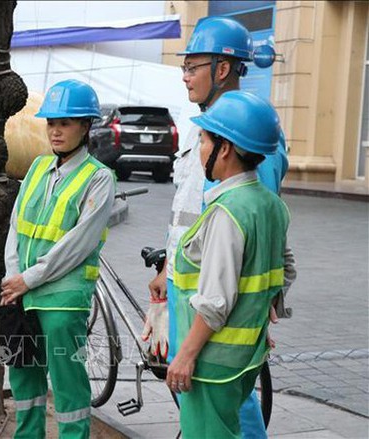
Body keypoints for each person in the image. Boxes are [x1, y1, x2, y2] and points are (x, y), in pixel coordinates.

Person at [141, 16, 295, 439]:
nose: (185, 78)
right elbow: (192, 215)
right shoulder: (206, 128)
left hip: (218, 301)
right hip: (191, 284)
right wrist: (168, 270)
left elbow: (252, 225)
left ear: (222, 68)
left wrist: (264, 303)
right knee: (202, 401)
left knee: (228, 402)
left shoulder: (245, 135)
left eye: (192, 67)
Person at [166, 90, 293, 439]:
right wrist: (259, 314)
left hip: (211, 361)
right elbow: (284, 270)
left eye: (205, 139)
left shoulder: (227, 213)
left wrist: (185, 356)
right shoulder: (270, 205)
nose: (201, 148)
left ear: (225, 149)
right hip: (244, 357)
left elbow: (215, 301)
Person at [1, 79, 115, 438]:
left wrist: (27, 279)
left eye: (65, 123)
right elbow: (16, 226)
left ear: (85, 126)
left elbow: (78, 244)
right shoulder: (36, 168)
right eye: (52, 123)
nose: (55, 131)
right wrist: (13, 276)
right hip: (22, 293)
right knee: (24, 381)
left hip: (63, 299)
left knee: (68, 386)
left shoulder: (98, 178)